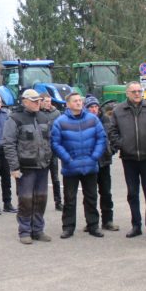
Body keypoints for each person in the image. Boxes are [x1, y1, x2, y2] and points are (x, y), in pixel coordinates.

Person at [108, 81, 146, 239]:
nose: (137, 94)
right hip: (128, 158)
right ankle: (136, 225)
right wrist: (122, 144)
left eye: (139, 91)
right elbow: (112, 131)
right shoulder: (118, 110)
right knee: (132, 193)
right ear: (127, 93)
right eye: (134, 91)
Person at [51, 92, 106, 240]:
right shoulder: (60, 122)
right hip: (71, 167)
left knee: (91, 197)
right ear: (68, 104)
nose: (78, 103)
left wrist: (94, 157)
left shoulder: (93, 119)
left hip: (90, 165)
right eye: (75, 101)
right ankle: (68, 227)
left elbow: (101, 139)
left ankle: (93, 225)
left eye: (80, 101)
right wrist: (67, 159)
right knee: (69, 199)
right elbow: (55, 143)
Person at [3, 89, 54, 245]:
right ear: (25, 101)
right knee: (26, 200)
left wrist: (50, 159)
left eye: (39, 101)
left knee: (41, 199)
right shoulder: (15, 119)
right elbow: (8, 143)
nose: (38, 103)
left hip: (43, 166)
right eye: (34, 101)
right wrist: (14, 167)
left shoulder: (44, 117)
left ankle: (38, 230)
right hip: (25, 168)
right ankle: (24, 231)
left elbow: (50, 141)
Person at [84, 96, 118, 232]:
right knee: (90, 194)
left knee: (106, 192)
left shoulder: (106, 120)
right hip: (89, 162)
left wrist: (112, 149)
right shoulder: (83, 120)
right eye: (91, 107)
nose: (94, 109)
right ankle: (91, 222)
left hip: (104, 162)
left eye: (95, 106)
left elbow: (113, 135)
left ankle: (108, 220)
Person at [40, 92, 63, 211]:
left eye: (49, 101)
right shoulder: (37, 113)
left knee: (55, 177)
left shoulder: (56, 113)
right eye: (46, 101)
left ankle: (58, 201)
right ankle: (41, 202)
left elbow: (60, 129)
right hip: (41, 152)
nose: (48, 104)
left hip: (53, 150)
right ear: (41, 101)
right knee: (42, 179)